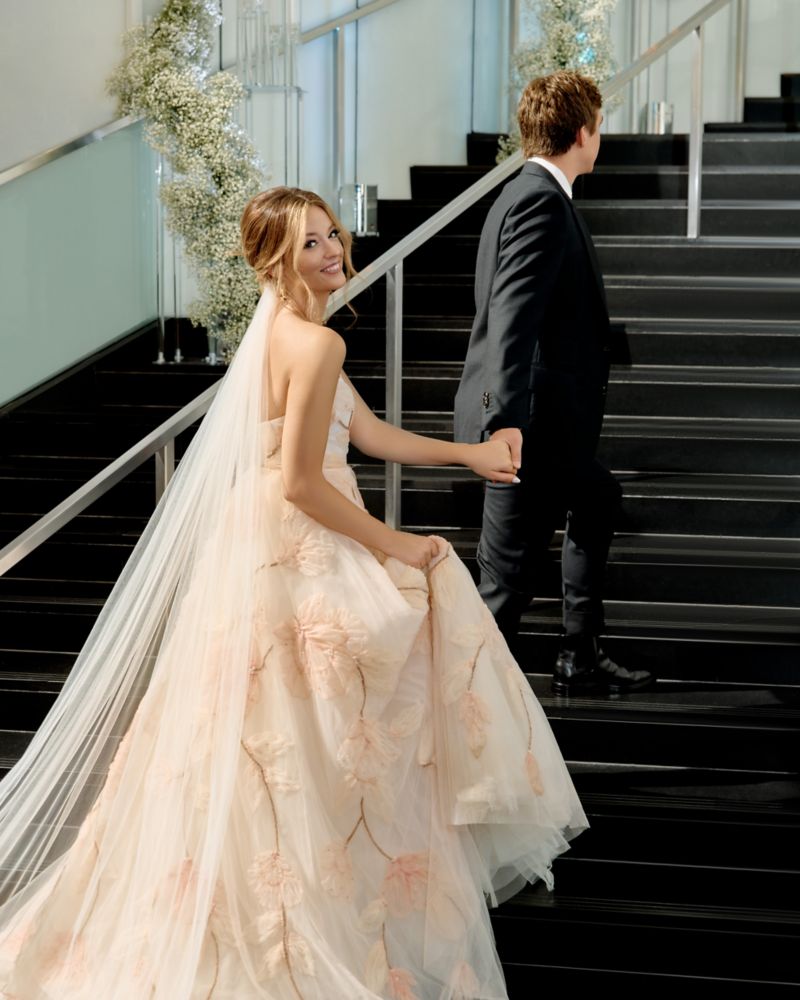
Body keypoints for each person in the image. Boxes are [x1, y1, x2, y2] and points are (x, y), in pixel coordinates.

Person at [0, 186, 586, 998]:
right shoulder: (315, 345)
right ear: (275, 260)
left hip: (262, 549)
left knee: (268, 744)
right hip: (303, 546)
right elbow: (305, 485)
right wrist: (397, 545)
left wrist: (470, 455)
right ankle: (316, 924)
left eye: (331, 234)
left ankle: (279, 907)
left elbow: (363, 433)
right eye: (309, 243)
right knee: (329, 731)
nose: (332, 251)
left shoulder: (286, 334)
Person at [454, 71, 654, 696]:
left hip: (546, 424)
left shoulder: (531, 192)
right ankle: (461, 711)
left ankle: (578, 653)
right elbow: (511, 320)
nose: (601, 138)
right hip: (529, 429)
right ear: (582, 133)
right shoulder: (539, 200)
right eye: (599, 126)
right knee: (503, 589)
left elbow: (540, 311)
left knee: (598, 498)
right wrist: (503, 424)